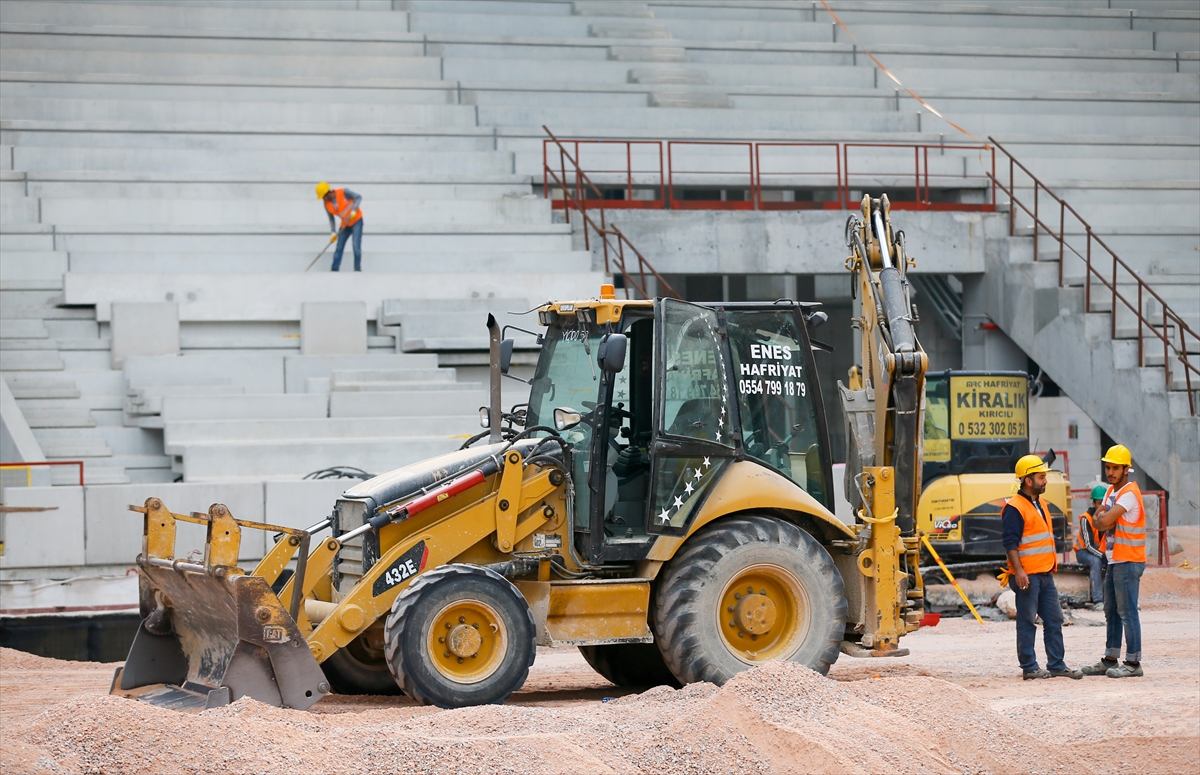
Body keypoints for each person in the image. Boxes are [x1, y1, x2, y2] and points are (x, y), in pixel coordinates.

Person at [1001, 455, 1082, 680]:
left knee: (1054, 619)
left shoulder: (1039, 504)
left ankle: (1056, 664)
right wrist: (1018, 571)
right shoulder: (1014, 508)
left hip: (1045, 573)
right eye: (1041, 477)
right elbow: (1010, 543)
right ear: (1028, 480)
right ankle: (1029, 667)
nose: (1045, 481)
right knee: (1027, 621)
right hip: (1028, 576)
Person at [1081, 444, 1145, 678]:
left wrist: (1104, 519)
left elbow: (1103, 519)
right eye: (1108, 467)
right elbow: (1101, 519)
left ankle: (1133, 662)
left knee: (1127, 611)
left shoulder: (1129, 493)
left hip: (1129, 560)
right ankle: (1110, 658)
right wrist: (1104, 519)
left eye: (1115, 468)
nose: (1110, 472)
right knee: (1111, 611)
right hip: (1114, 559)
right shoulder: (1110, 492)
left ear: (1126, 469)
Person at [1073, 484, 1108, 608]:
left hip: (1099, 552)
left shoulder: (1109, 517)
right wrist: (1103, 556)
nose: (1102, 507)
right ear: (1094, 503)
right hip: (1083, 552)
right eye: (1099, 503)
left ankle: (1112, 598)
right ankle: (1098, 600)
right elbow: (1088, 544)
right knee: (1096, 561)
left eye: (1104, 503)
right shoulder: (1086, 518)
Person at [316, 182, 363, 272]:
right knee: (339, 247)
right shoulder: (326, 204)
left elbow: (358, 197)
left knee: (356, 246)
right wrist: (333, 232)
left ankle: (357, 269)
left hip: (356, 220)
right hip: (345, 224)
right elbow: (331, 218)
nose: (323, 199)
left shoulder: (343, 192)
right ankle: (334, 269)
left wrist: (354, 211)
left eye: (323, 196)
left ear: (327, 193)